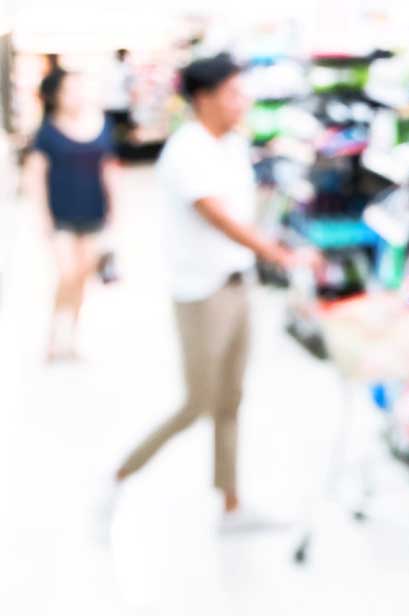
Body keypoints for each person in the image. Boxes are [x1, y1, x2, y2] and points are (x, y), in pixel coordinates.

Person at [100, 53, 321, 535]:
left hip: (237, 283)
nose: (243, 102)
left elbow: (244, 211)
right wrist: (280, 255)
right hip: (201, 294)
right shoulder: (186, 151)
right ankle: (119, 475)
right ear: (203, 99)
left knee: (230, 399)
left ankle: (231, 504)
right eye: (233, 94)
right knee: (197, 402)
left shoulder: (232, 144)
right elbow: (218, 217)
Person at [24, 68, 119, 361]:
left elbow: (109, 169)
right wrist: (43, 217)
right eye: (69, 90)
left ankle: (73, 336)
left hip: (93, 212)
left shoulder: (101, 125)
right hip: (61, 214)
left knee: (82, 277)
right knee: (67, 273)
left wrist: (116, 209)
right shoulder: (47, 132)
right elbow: (36, 176)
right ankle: (54, 335)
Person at [103, 49, 135, 155]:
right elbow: (131, 88)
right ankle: (123, 153)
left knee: (112, 131)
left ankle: (113, 152)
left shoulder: (109, 69)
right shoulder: (127, 70)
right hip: (122, 106)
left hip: (110, 105)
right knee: (124, 131)